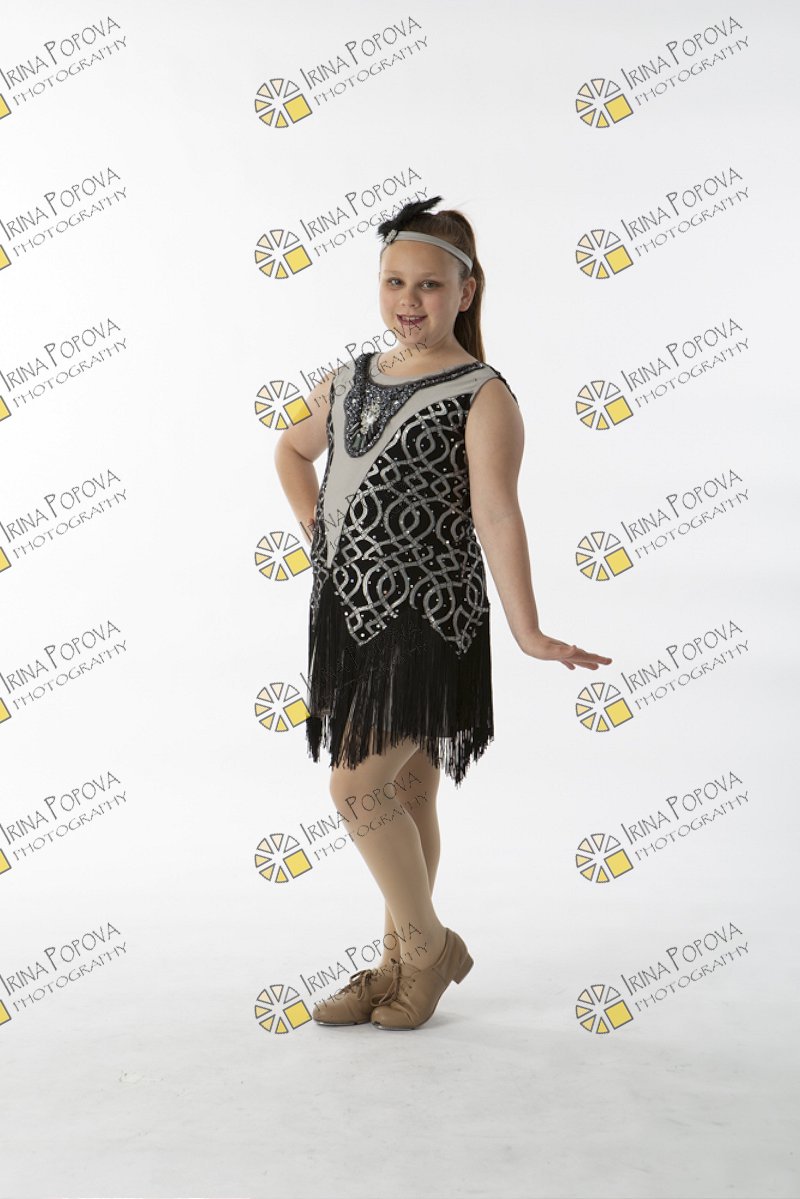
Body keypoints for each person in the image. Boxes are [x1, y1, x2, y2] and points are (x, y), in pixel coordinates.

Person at [274, 195, 612, 1031]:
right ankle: (397, 960)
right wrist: (321, 535)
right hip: (351, 615)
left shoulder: (482, 394)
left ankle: (427, 947)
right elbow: (291, 449)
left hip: (431, 620)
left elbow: (496, 513)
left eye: (428, 284)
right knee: (407, 788)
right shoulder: (350, 379)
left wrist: (528, 630)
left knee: (356, 786)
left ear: (466, 291)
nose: (409, 300)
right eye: (394, 281)